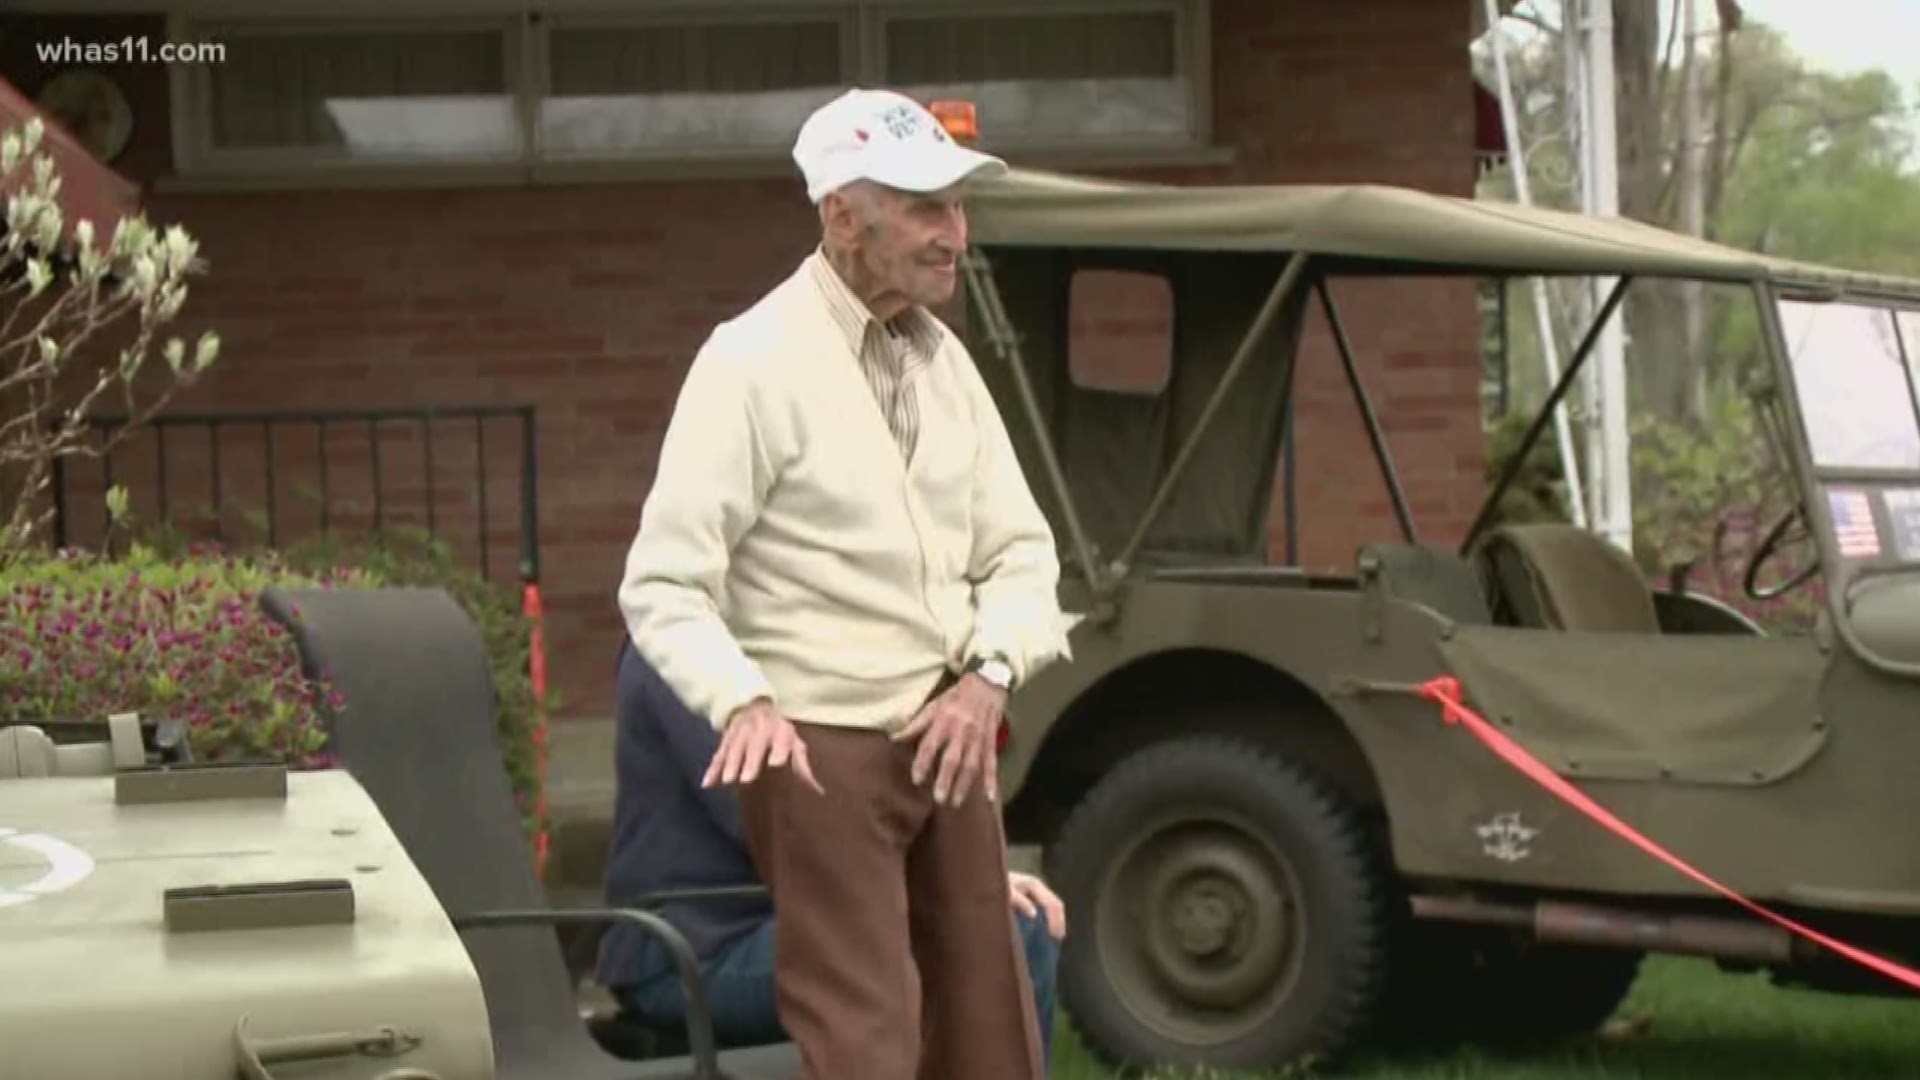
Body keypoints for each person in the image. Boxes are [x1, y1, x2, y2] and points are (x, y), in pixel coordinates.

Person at [617, 86, 1074, 1080]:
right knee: (869, 1039)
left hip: (950, 747)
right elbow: (662, 582)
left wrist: (989, 674)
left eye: (958, 207)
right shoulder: (749, 362)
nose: (955, 234)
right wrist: (742, 699)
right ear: (841, 215)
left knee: (991, 1039)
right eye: (924, 208)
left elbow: (1024, 557)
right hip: (820, 752)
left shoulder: (946, 362)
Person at [595, 640, 1064, 1067]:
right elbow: (775, 816)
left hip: (811, 915)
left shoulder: (783, 636)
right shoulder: (678, 653)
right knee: (977, 938)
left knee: (1014, 926)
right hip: (701, 945)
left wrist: (969, 875)